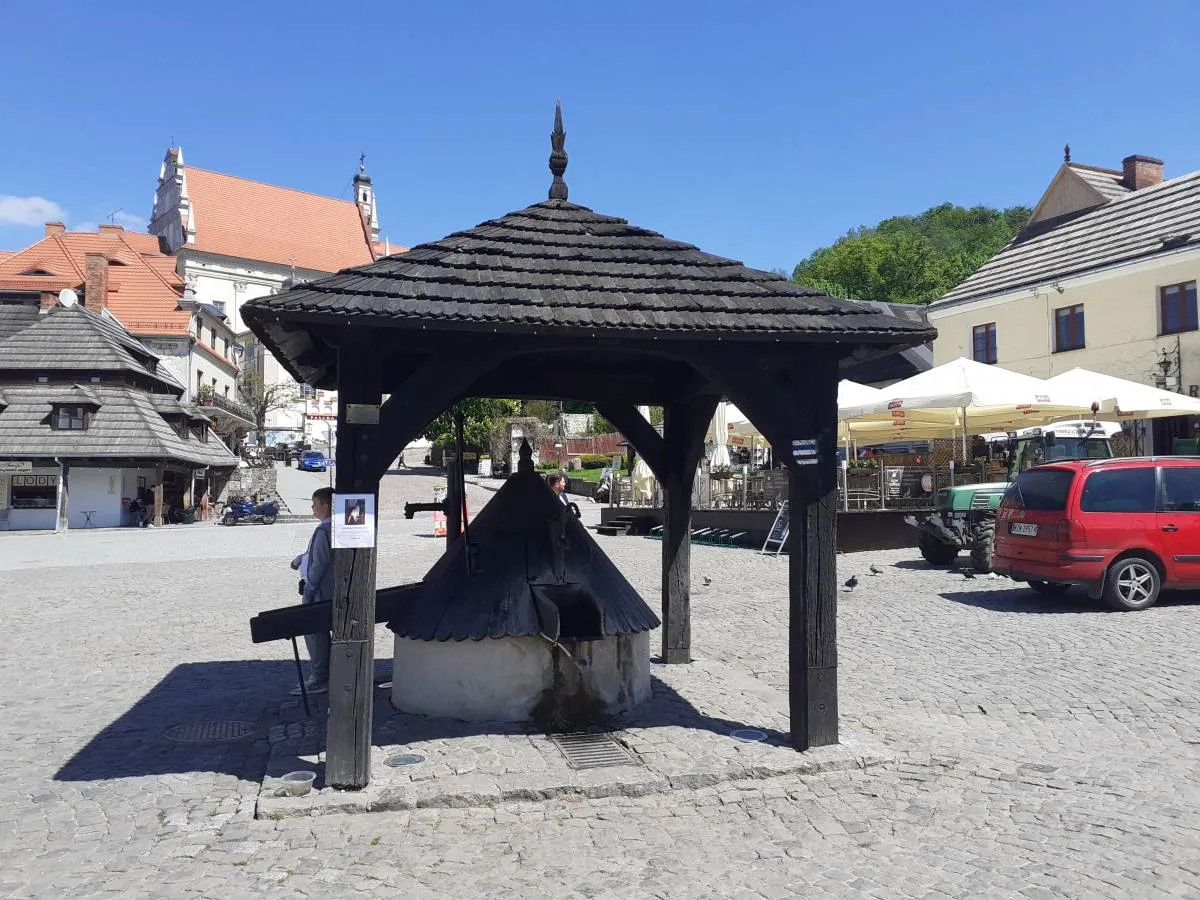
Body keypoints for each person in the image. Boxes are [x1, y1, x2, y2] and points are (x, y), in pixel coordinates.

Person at [289, 487, 333, 695]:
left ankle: (320, 676)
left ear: (325, 505)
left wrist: (309, 589)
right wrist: (301, 558)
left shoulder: (324, 530)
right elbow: (313, 556)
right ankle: (325, 672)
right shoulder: (328, 528)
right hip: (323, 590)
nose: (312, 507)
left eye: (315, 503)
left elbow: (320, 563)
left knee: (314, 632)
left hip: (321, 592)